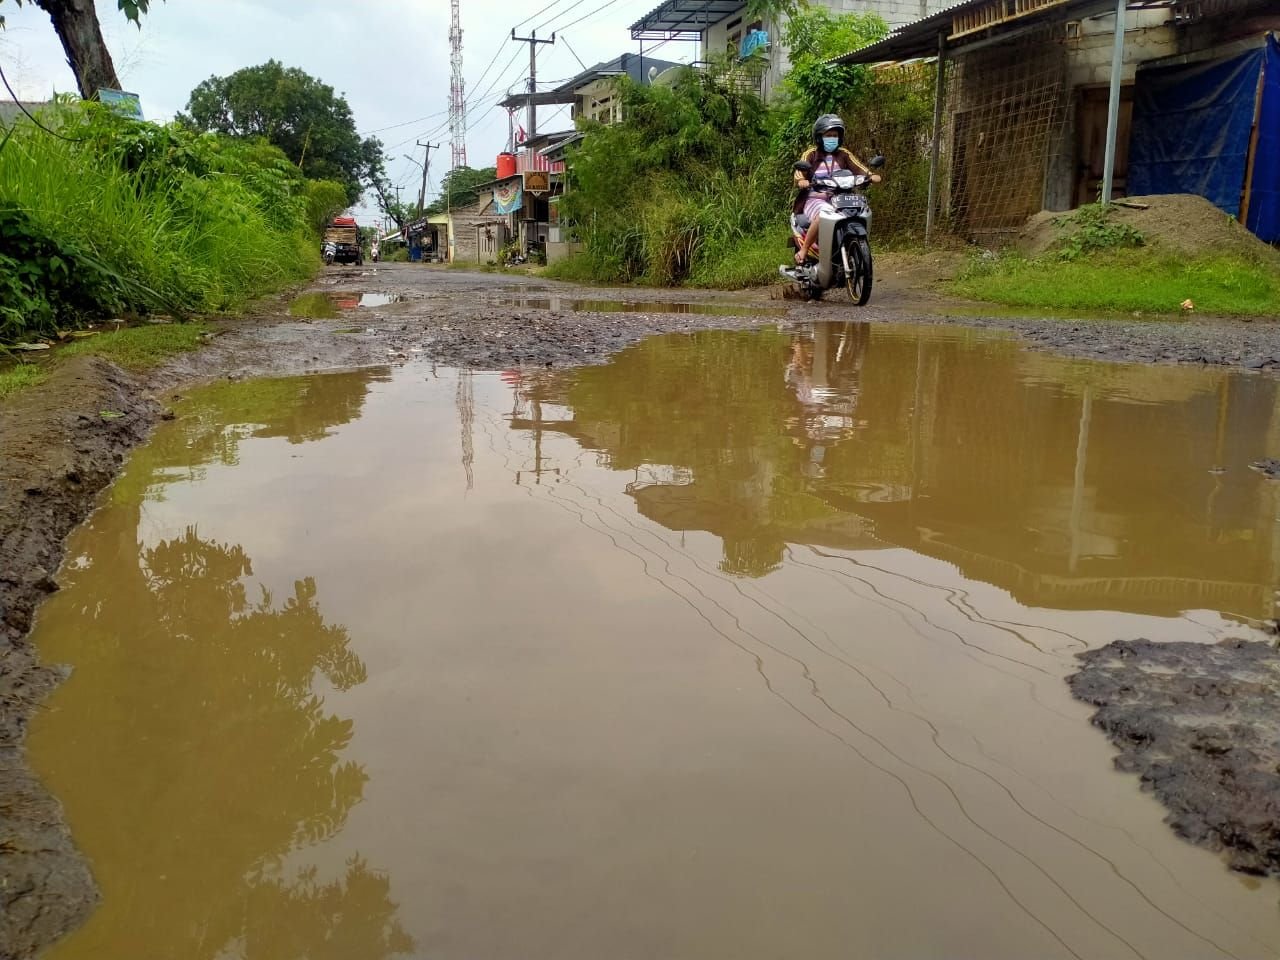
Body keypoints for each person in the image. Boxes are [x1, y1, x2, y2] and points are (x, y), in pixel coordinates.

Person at [793, 114, 880, 265]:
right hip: (816, 198)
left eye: (835, 135)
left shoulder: (844, 154)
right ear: (819, 137)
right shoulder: (811, 154)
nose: (832, 138)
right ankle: (804, 250)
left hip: (841, 198)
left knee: (861, 210)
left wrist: (870, 175)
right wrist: (801, 180)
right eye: (828, 135)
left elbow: (858, 167)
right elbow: (800, 171)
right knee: (822, 215)